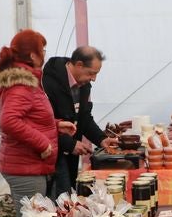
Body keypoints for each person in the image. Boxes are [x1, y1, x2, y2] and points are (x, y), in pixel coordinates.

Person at [0, 29, 64, 217]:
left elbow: (30, 118)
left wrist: (56, 125)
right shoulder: (22, 84)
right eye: (42, 49)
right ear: (32, 55)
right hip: (25, 166)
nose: (45, 54)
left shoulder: (26, 81)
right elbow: (9, 120)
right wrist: (42, 142)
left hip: (25, 163)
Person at [42, 46, 118, 197]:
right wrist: (70, 144)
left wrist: (101, 139)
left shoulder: (83, 86)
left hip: (69, 152)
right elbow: (44, 124)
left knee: (69, 194)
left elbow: (84, 117)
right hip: (52, 152)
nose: (94, 79)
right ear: (78, 65)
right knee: (60, 197)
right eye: (91, 73)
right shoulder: (48, 82)